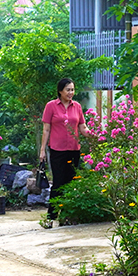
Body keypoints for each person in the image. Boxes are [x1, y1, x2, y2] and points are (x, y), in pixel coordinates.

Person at [39, 77, 92, 219]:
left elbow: (82, 126)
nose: (71, 93)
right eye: (68, 90)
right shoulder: (51, 106)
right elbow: (46, 129)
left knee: (71, 182)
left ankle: (68, 215)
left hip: (74, 150)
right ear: (60, 91)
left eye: (72, 90)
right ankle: (52, 216)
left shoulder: (77, 107)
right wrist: (42, 150)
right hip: (57, 150)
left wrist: (94, 136)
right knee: (58, 182)